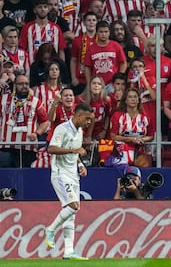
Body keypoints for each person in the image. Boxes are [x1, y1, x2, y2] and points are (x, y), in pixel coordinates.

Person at [44, 103, 94, 260]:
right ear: (78, 116)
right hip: (60, 174)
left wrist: (80, 164)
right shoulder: (62, 129)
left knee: (70, 214)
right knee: (73, 207)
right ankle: (50, 230)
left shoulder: (79, 131)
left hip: (73, 175)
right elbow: (51, 149)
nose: (88, 123)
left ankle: (68, 251)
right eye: (86, 119)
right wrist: (74, 151)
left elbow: (75, 152)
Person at [0, 73, 49, 168]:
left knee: (25, 177)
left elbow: (45, 121)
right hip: (6, 146)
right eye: (21, 84)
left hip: (28, 147)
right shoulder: (3, 100)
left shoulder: (36, 102)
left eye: (26, 84)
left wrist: (37, 133)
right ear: (14, 85)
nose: (24, 86)